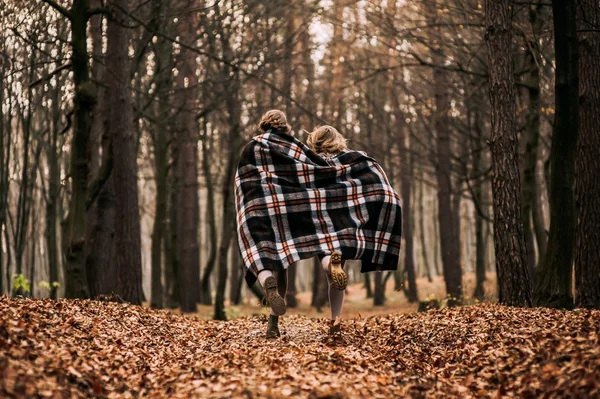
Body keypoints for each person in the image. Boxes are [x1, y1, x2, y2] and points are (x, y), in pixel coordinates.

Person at [234, 110, 402, 338]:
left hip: (278, 212)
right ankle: (335, 320)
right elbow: (372, 175)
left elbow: (253, 179)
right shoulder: (350, 158)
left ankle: (272, 318)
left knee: (275, 262)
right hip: (337, 220)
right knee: (330, 253)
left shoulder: (267, 150)